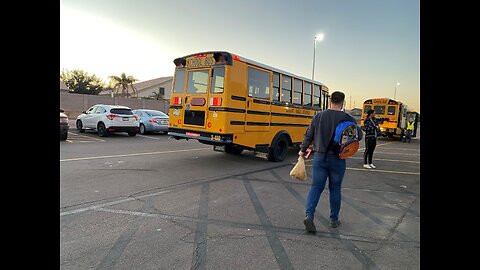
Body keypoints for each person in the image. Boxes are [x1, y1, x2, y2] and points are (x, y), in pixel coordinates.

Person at [299, 91, 362, 232]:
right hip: (338, 159)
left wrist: (303, 150)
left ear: (330, 101)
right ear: (343, 102)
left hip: (320, 157)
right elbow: (359, 136)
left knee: (316, 187)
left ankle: (309, 215)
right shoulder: (348, 117)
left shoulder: (319, 116)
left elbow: (309, 135)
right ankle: (333, 219)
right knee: (335, 189)